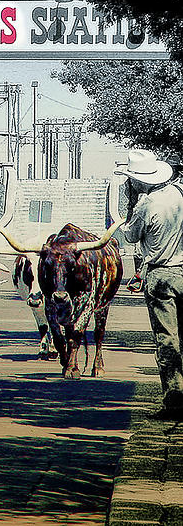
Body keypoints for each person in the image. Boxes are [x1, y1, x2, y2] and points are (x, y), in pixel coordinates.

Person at [117, 149, 183, 419]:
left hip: (161, 274)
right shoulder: (180, 193)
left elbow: (132, 236)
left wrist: (123, 225)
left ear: (137, 180)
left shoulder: (146, 203)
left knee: (167, 339)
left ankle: (175, 401)